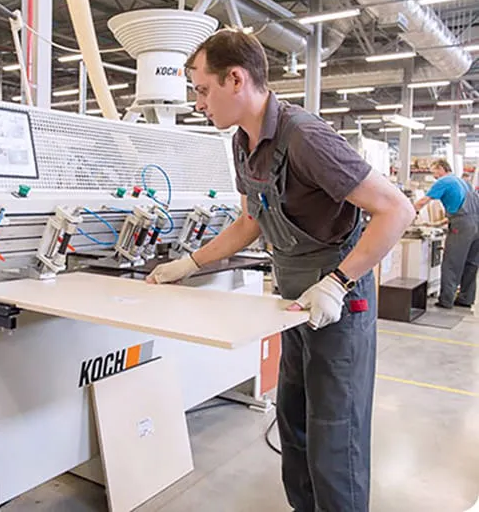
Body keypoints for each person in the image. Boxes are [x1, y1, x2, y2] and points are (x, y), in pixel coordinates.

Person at [146, 28, 415, 512]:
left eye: (203, 89)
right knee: (293, 421)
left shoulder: (306, 137)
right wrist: (189, 264)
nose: (198, 103)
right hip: (293, 303)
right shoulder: (241, 143)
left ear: (235, 79)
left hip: (337, 303)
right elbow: (250, 222)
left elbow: (397, 210)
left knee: (335, 432)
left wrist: (337, 283)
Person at [414, 159, 479, 309]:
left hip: (462, 227)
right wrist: (438, 223)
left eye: (434, 172)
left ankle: (446, 300)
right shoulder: (463, 182)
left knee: (451, 263)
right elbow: (464, 209)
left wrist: (409, 211)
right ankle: (465, 299)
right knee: (471, 263)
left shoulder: (444, 181)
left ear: (441, 168)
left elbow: (423, 201)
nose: (434, 176)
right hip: (476, 224)